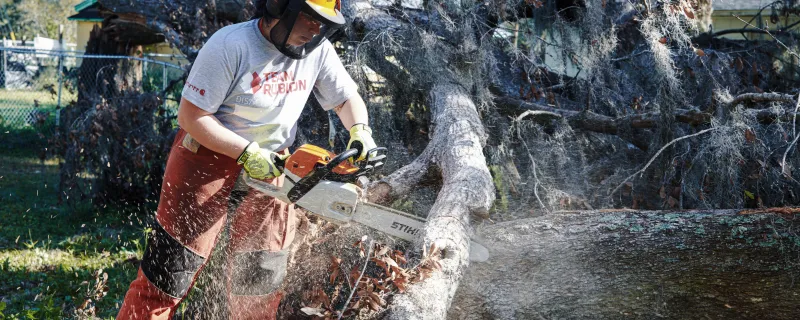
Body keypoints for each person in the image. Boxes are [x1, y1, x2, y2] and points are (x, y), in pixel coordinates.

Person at [117, 0, 378, 318]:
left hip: (275, 162)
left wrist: (360, 129)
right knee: (167, 277)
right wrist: (245, 152)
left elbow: (345, 98)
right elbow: (191, 116)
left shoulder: (317, 49)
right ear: (280, 8)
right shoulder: (231, 44)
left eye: (323, 22)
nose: (315, 28)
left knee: (259, 280)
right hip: (207, 155)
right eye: (309, 18)